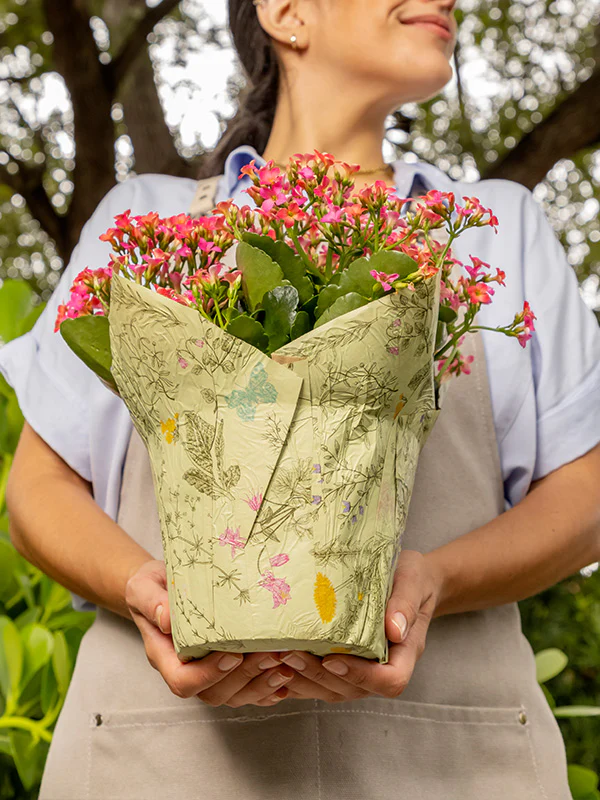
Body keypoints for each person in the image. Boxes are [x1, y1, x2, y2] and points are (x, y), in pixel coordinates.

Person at [2, 0, 600, 797]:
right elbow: (38, 492)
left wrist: (433, 582)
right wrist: (147, 594)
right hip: (161, 760)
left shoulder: (496, 231)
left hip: (449, 760)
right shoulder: (146, 220)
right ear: (286, 12)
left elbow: (586, 493)